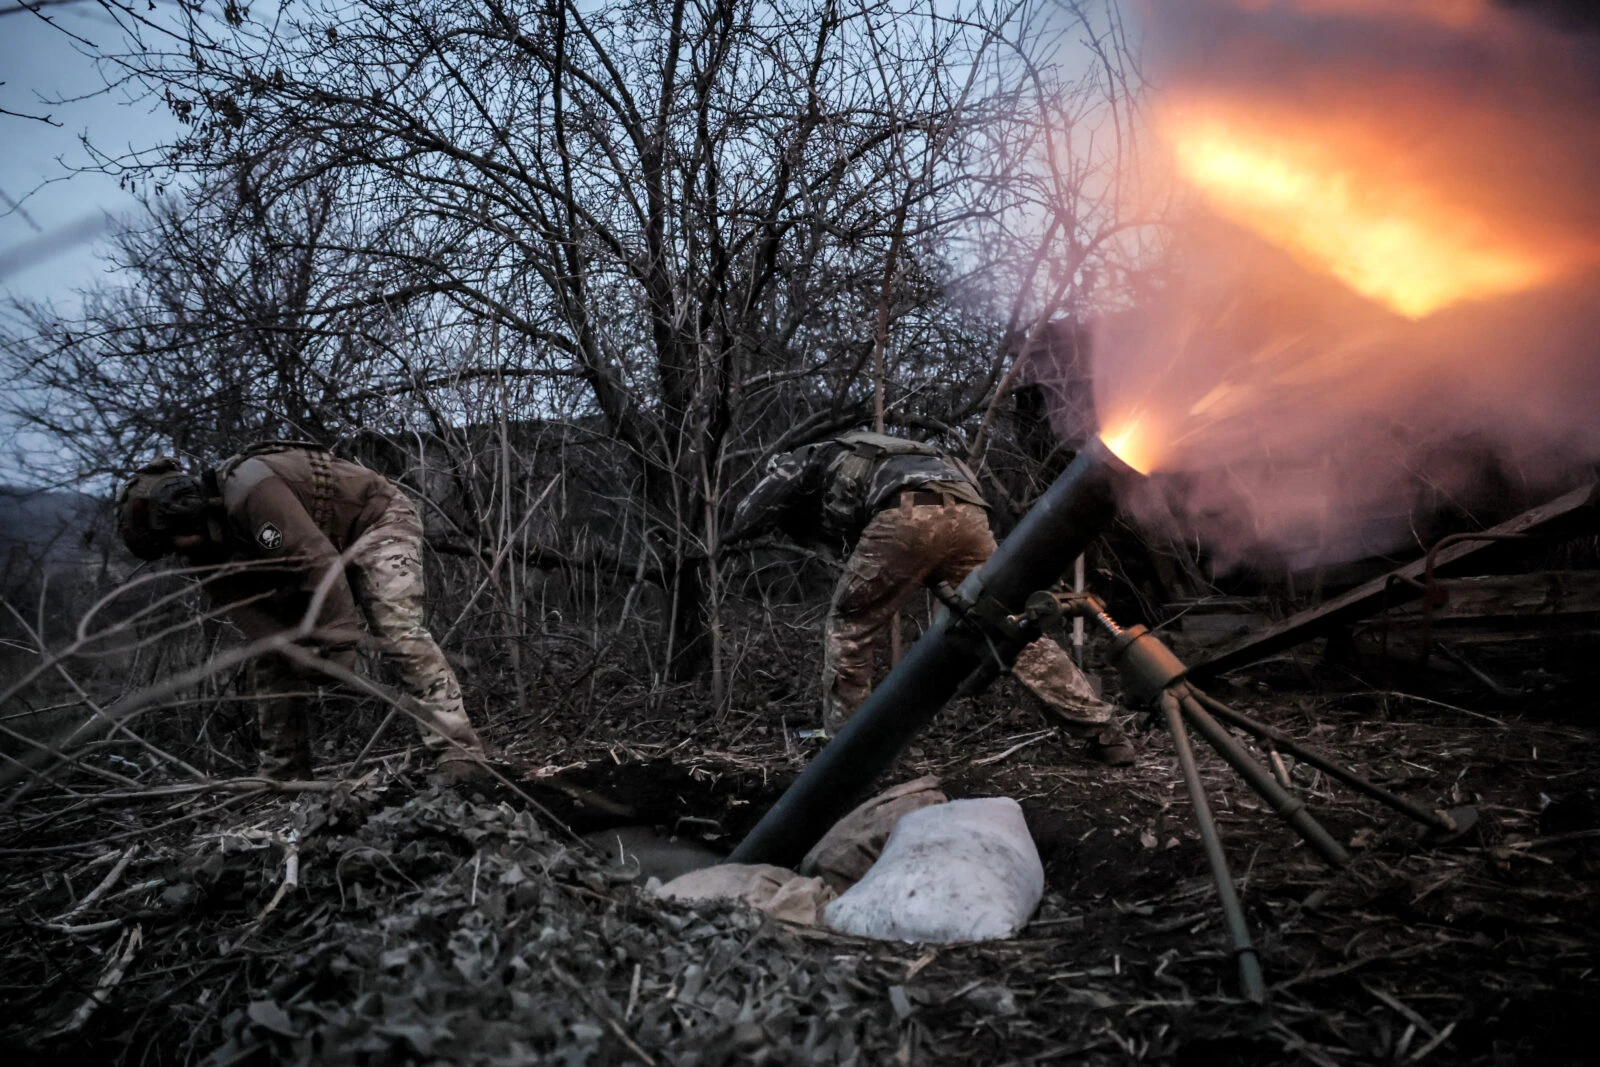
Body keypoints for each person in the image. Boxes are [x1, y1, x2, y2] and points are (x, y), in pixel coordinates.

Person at [728, 430, 1135, 764]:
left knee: (849, 627)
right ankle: (1103, 730)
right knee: (1007, 625)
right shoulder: (885, 452)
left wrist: (737, 532)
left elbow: (746, 517)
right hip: (969, 512)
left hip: (907, 514)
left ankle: (843, 751)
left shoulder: (802, 457)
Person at [114, 441, 487, 781]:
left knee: (397, 629)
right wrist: (294, 651)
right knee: (270, 659)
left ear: (187, 511)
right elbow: (252, 617)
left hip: (375, 522)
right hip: (313, 553)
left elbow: (319, 564)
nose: (178, 549)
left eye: (174, 539)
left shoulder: (250, 492)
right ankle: (285, 773)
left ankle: (459, 752)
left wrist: (337, 651)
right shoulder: (200, 552)